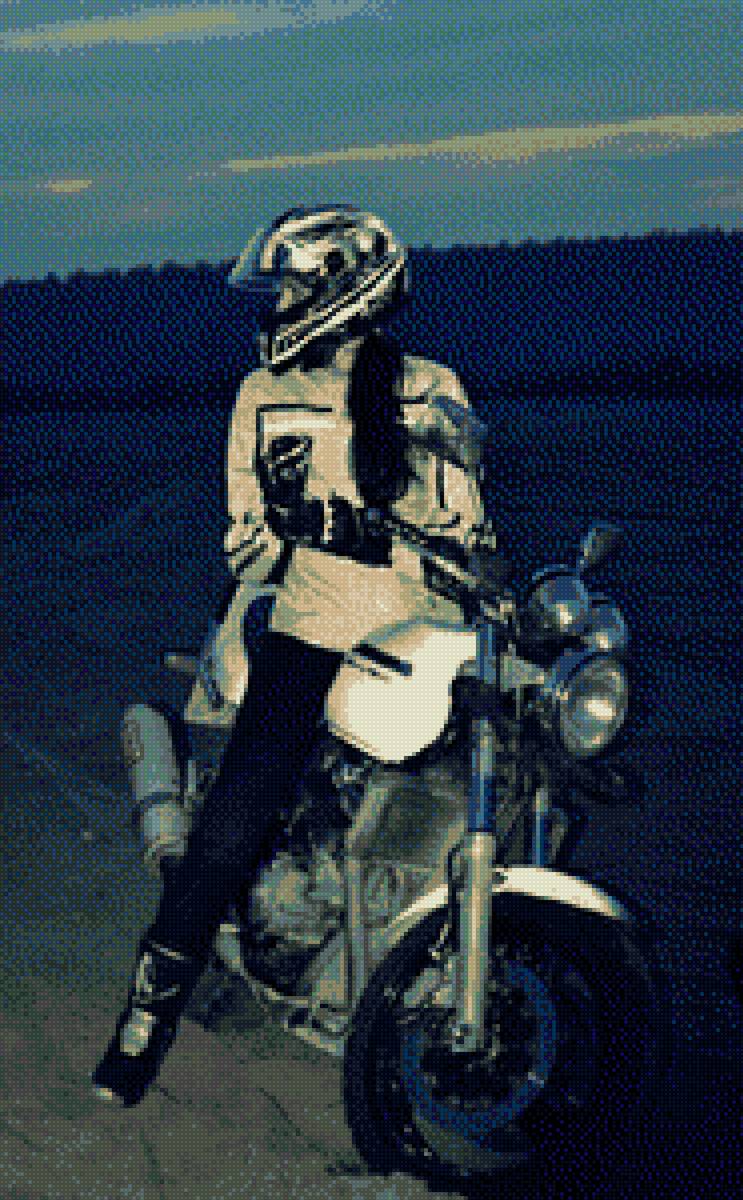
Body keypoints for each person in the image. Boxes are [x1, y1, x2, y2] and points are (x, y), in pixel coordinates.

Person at [91, 204, 494, 1107]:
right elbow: (244, 550)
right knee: (232, 826)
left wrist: (390, 524)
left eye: (290, 290)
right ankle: (146, 1019)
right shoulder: (260, 396)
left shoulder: (434, 388)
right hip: (311, 628)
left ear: (345, 291)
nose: (276, 309)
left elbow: (468, 528)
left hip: (422, 625)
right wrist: (285, 524)